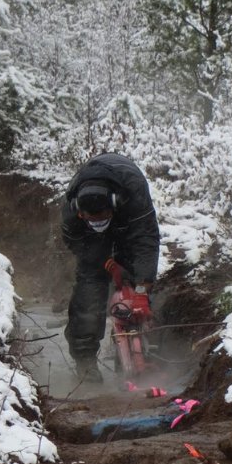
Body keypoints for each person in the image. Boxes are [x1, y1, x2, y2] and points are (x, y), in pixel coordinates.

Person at [61, 153, 161, 382]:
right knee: (90, 288)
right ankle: (85, 362)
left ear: (113, 205)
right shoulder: (70, 210)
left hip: (128, 221)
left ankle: (133, 353)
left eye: (102, 217)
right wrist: (106, 263)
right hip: (90, 241)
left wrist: (142, 290)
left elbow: (145, 240)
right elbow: (76, 243)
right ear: (79, 212)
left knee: (135, 283)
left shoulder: (133, 193)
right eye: (91, 218)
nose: (98, 222)